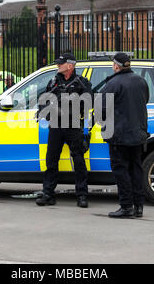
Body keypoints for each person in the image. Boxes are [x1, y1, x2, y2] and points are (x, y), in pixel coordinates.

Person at [36, 53, 92, 208]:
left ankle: (82, 195)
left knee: (79, 161)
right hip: (55, 125)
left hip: (73, 125)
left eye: (61, 63)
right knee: (51, 160)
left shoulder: (81, 83)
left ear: (70, 65)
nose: (58, 66)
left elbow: (88, 102)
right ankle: (48, 194)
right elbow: (44, 100)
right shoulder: (53, 82)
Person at [100, 53, 149, 218]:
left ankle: (126, 206)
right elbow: (145, 101)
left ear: (116, 66)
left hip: (119, 135)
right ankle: (139, 206)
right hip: (138, 133)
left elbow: (102, 110)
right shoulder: (141, 81)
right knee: (136, 169)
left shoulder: (112, 84)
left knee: (121, 171)